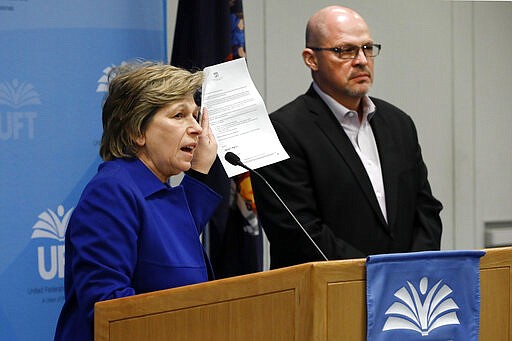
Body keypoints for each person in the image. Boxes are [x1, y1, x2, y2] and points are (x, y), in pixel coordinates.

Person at [251, 6, 443, 269]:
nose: (362, 60)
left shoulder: (399, 123)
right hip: (330, 295)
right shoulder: (282, 130)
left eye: (367, 48)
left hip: (406, 296)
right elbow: (299, 234)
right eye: (345, 50)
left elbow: (426, 212)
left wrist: (413, 270)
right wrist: (377, 276)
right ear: (311, 59)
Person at [54, 61, 222, 341]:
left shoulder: (156, 189)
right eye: (179, 115)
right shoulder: (110, 193)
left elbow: (175, 238)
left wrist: (201, 170)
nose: (197, 129)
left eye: (195, 115)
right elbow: (108, 307)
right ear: (136, 131)